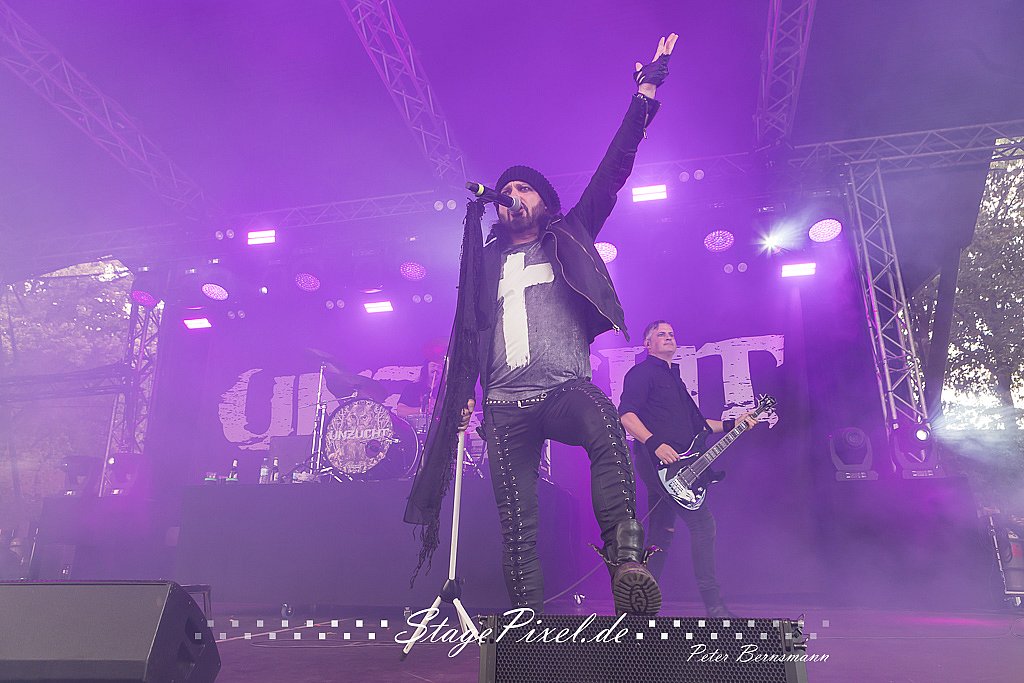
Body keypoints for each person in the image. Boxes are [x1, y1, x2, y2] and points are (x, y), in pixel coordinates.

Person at [454, 34, 679, 616]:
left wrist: (644, 96)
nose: (513, 195)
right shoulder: (482, 262)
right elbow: (466, 333)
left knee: (606, 430)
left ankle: (627, 564)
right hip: (504, 406)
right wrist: (462, 394)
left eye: (524, 188)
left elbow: (612, 172)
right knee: (517, 524)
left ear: (544, 202)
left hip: (563, 390)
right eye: (506, 191)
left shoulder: (570, 234)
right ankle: (525, 627)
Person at [618, 320, 757, 618]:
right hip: (657, 462)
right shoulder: (641, 374)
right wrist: (654, 443)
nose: (669, 337)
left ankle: (639, 607)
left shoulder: (675, 379)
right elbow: (626, 416)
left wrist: (735, 424)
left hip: (681, 465)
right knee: (703, 525)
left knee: (661, 533)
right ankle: (714, 606)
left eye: (671, 334)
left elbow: (700, 426)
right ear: (647, 344)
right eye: (661, 334)